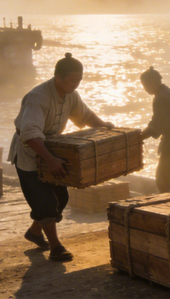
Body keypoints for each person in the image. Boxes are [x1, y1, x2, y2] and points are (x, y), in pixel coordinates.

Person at [8, 53, 115, 262]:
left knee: (61, 198)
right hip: (30, 154)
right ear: (58, 77)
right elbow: (29, 134)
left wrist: (103, 126)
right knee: (45, 202)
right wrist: (49, 159)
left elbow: (84, 116)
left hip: (53, 151)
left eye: (79, 80)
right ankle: (56, 247)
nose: (76, 84)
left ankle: (34, 232)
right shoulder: (37, 97)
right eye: (73, 80)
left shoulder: (71, 95)